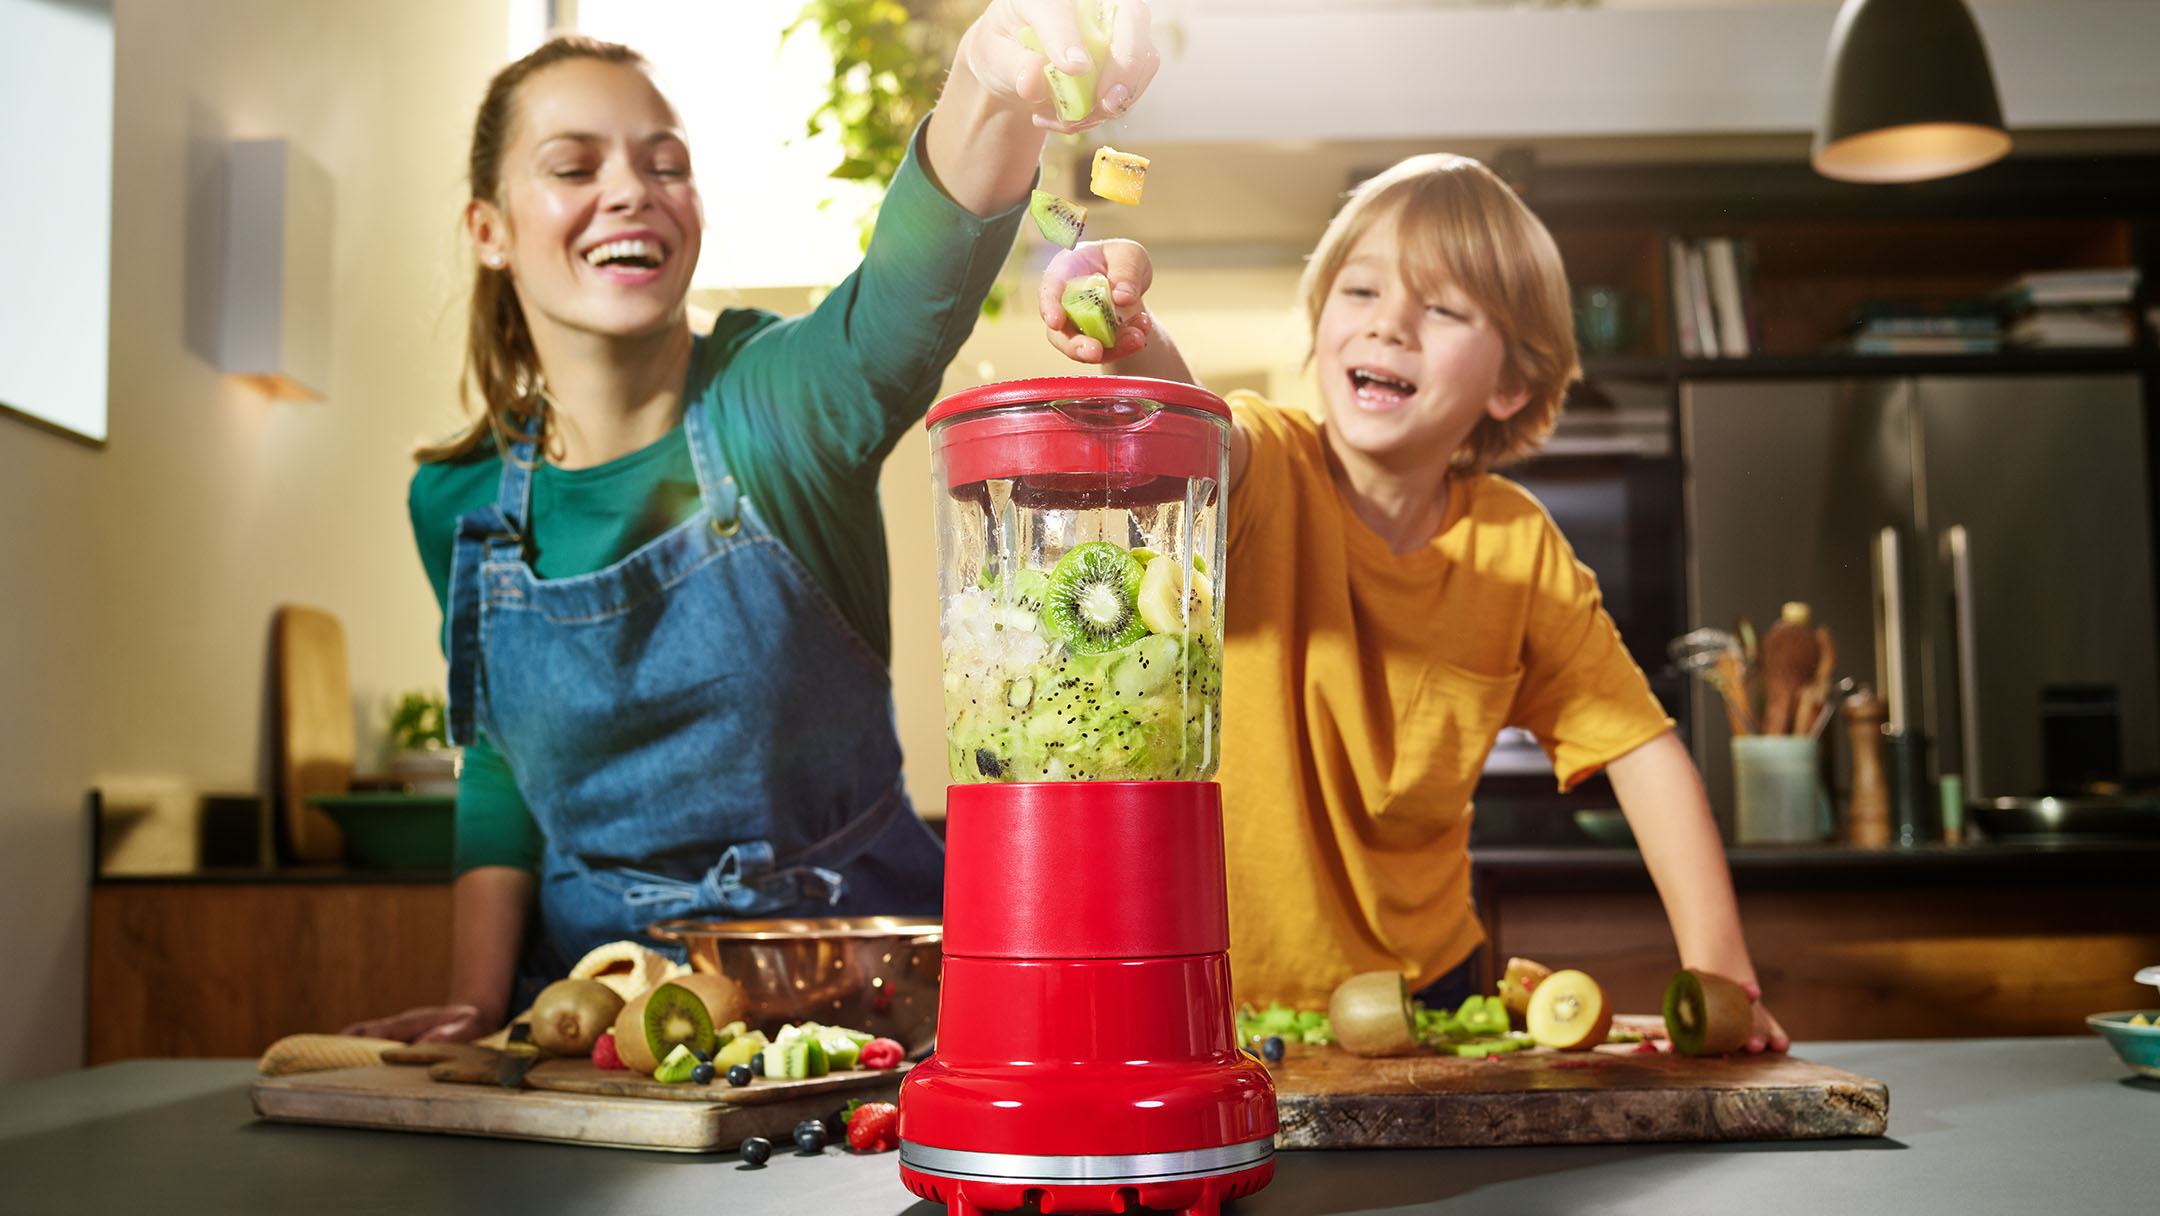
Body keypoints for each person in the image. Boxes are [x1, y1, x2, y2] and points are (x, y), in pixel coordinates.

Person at [345, 3, 1161, 1046]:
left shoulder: (776, 407)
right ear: (489, 230)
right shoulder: (454, 506)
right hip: (600, 1025)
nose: (630, 191)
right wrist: (473, 997)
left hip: (869, 1005)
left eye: (663, 162)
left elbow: (901, 307)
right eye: (574, 165)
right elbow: (501, 763)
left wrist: (988, 85)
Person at [1041, 153, 1790, 1051]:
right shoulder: (1270, 462)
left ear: (1510, 383)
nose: (1390, 325)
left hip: (1428, 998)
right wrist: (1130, 334)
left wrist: (1722, 976)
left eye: (1440, 309)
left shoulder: (1517, 547)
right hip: (1218, 997)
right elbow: (1190, 429)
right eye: (1361, 292)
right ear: (1320, 326)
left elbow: (1641, 749)